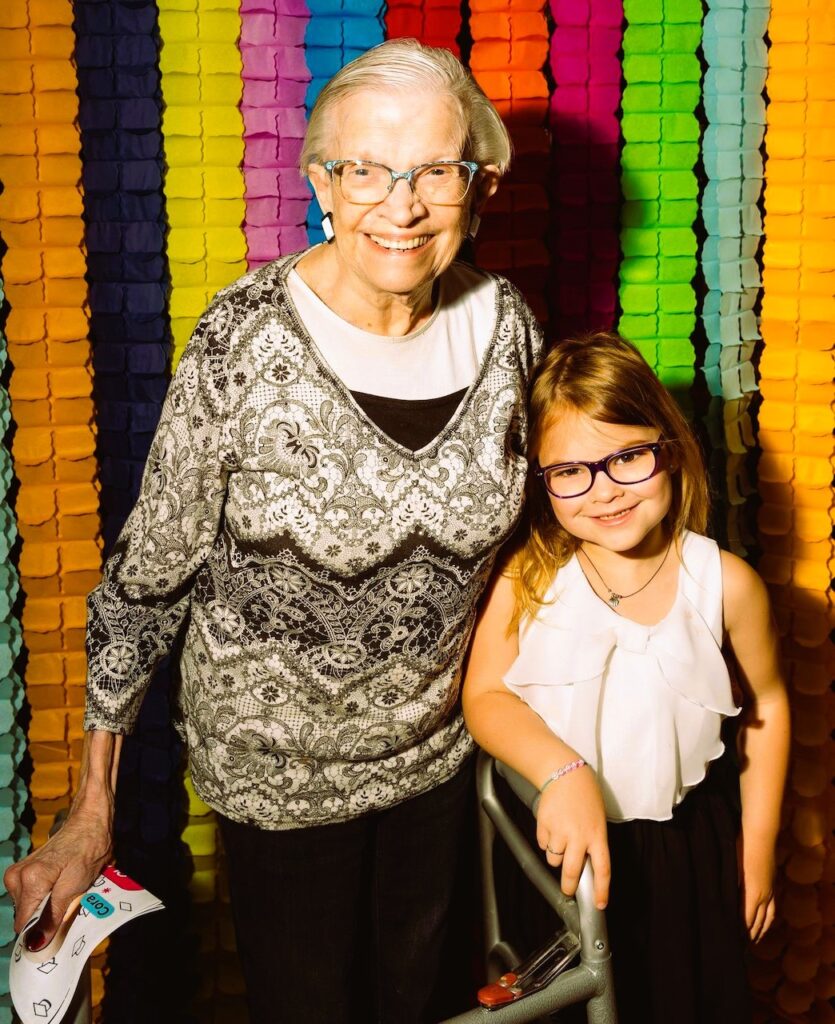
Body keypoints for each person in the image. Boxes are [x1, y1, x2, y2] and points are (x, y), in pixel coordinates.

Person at [5, 39, 544, 1024]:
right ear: (320, 184)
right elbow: (146, 582)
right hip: (277, 785)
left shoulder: (506, 327)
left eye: (435, 169)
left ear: (480, 184)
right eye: (364, 169)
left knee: (422, 1001)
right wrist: (91, 811)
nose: (402, 202)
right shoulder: (240, 341)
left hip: (437, 762)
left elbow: (532, 539)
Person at [463, 332, 790, 1024]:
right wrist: (562, 771)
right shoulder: (529, 576)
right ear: (541, 479)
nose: (604, 491)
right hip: (558, 854)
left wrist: (755, 850)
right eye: (570, 471)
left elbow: (766, 705)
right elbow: (484, 696)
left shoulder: (725, 583)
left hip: (686, 855)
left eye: (627, 457)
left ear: (667, 447)